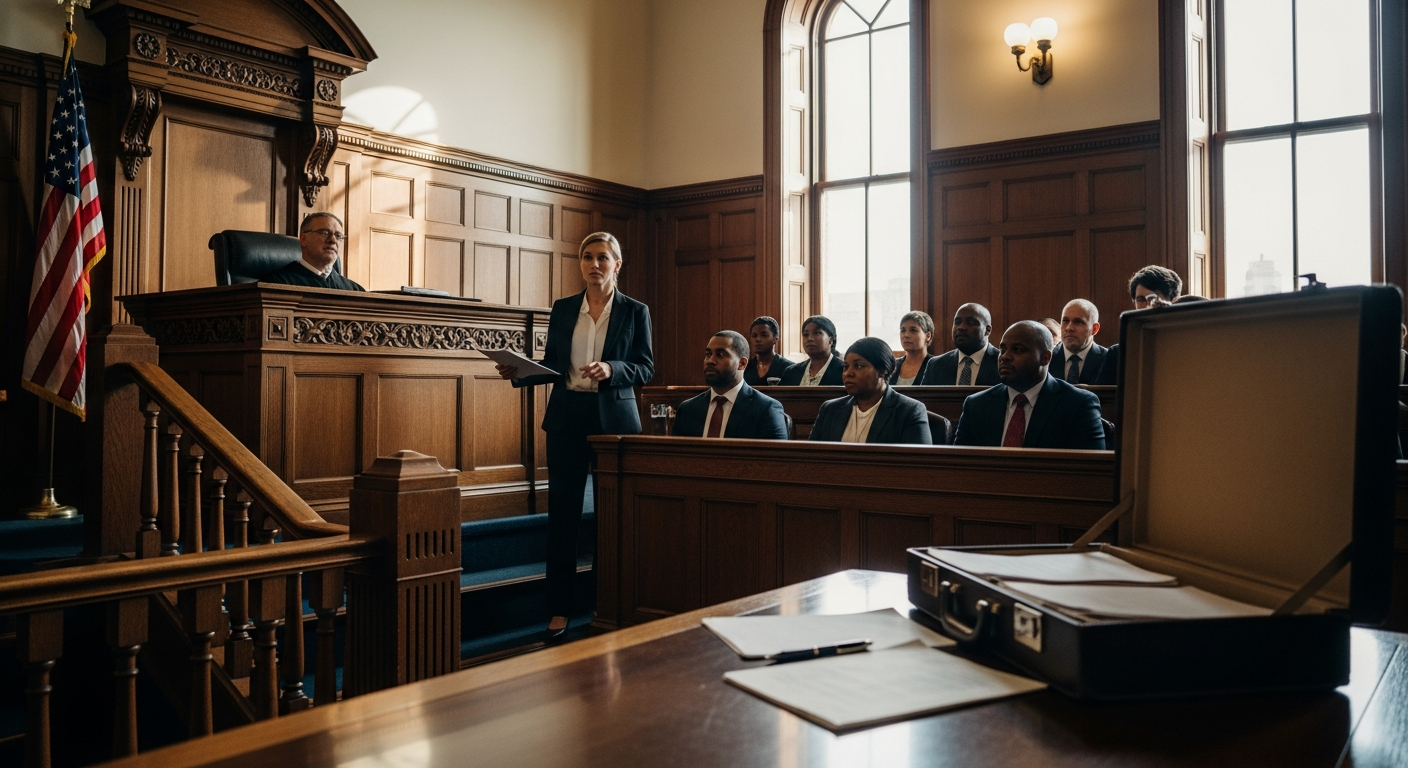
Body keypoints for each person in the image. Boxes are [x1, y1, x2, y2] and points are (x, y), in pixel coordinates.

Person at [495, 232, 653, 640]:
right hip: (566, 418)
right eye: (587, 257)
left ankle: (608, 603)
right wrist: (518, 372)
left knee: (612, 517)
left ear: (618, 264)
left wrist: (613, 369)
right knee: (562, 517)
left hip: (614, 422)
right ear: (580, 263)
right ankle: (559, 610)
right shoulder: (564, 309)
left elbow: (646, 367)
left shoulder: (636, 311)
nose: (594, 264)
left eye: (603, 257)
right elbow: (551, 364)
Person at [953, 321, 1105, 449]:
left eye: (1017, 350)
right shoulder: (976, 405)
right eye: (1003, 349)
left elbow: (1090, 474)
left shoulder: (1078, 405)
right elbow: (959, 466)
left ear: (1045, 358)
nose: (1005, 357)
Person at [810, 338, 931, 444]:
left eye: (858, 366)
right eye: (846, 367)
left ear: (883, 370)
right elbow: (811, 458)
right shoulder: (830, 409)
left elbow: (918, 465)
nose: (848, 373)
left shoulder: (909, 410)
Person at [673, 331, 788, 439]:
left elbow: (776, 459)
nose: (710, 361)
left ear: (742, 364)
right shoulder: (687, 409)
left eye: (721, 354)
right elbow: (676, 458)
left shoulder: (766, 409)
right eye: (708, 354)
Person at [1095, 266, 1184, 385]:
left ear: (1173, 301)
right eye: (1140, 299)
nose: (1147, 305)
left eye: (1153, 298)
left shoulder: (1186, 348)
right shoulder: (1118, 353)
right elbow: (1104, 398)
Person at [262, 212, 366, 291]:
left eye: (338, 236)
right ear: (303, 239)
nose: (333, 240)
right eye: (325, 233)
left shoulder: (355, 290)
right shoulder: (277, 283)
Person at [918, 303, 1000, 386]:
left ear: (987, 330)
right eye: (957, 322)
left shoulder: (1002, 362)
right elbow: (924, 398)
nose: (961, 327)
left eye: (970, 322)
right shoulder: (936, 365)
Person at [1050, 299, 1108, 385]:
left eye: (1078, 322)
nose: (1069, 328)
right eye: (1065, 321)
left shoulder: (1108, 360)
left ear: (1095, 329)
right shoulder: (1046, 359)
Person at [778, 316, 844, 385]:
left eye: (817, 333)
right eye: (806, 335)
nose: (810, 338)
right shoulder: (791, 372)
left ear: (831, 340)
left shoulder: (844, 371)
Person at [743, 316, 794, 386]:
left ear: (775, 339)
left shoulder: (789, 368)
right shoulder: (745, 367)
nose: (758, 339)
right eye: (754, 336)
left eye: (764, 335)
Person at [890, 311, 937, 385]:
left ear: (928, 336)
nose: (906, 335)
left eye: (913, 330)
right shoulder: (892, 366)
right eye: (903, 330)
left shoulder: (936, 365)